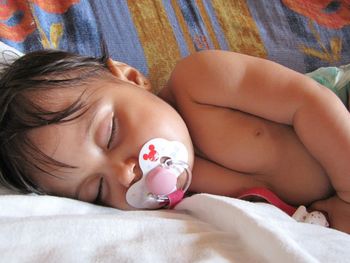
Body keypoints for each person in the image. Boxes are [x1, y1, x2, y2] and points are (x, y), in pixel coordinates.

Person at [0, 49, 350, 233]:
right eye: (97, 190)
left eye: (110, 133)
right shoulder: (185, 208)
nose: (125, 176)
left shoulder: (200, 82)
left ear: (132, 78)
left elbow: (310, 103)